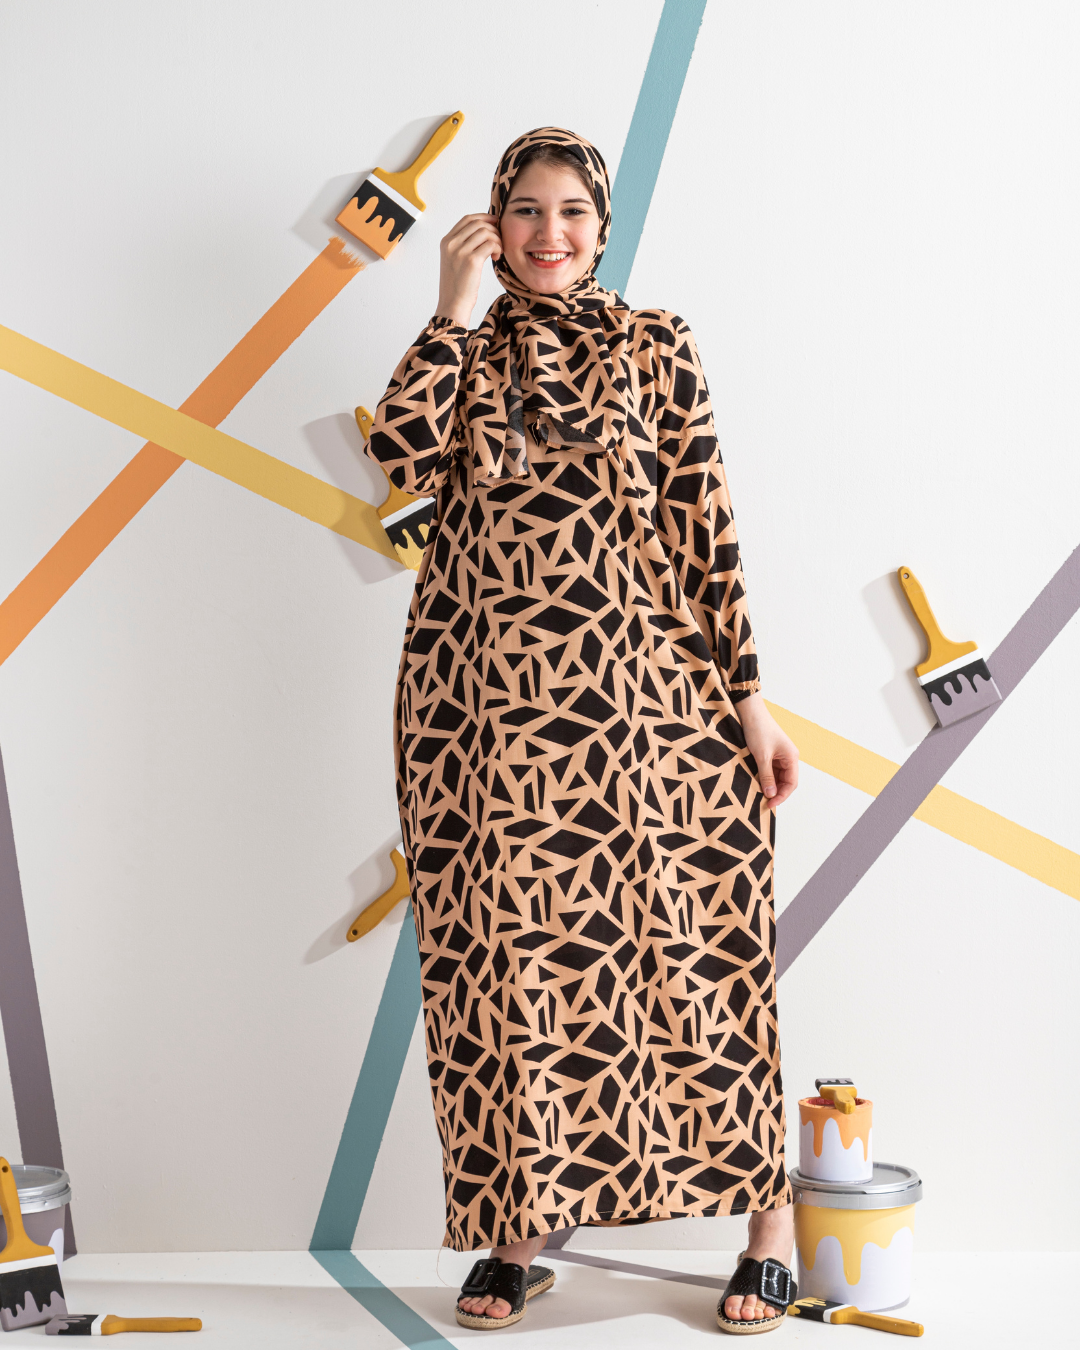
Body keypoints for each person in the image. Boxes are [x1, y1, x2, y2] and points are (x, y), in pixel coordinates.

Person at [367, 127, 800, 1335]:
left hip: (655, 708)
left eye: (571, 212)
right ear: (492, 223)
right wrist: (451, 309)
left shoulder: (658, 343)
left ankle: (769, 1225)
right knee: (512, 972)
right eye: (526, 210)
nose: (548, 233)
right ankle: (519, 1235)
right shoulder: (464, 347)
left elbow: (705, 523)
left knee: (700, 954)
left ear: (601, 227)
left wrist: (750, 700)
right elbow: (398, 456)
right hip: (487, 715)